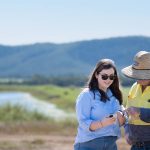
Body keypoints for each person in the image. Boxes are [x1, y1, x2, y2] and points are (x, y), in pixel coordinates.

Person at [74, 59, 126, 150]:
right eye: (104, 76)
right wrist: (102, 123)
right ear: (96, 75)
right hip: (88, 145)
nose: (108, 80)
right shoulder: (87, 95)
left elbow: (121, 122)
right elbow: (83, 123)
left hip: (111, 145)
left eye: (111, 77)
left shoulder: (115, 95)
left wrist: (122, 118)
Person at [121, 50, 150, 150]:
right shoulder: (134, 87)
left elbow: (135, 111)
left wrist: (140, 111)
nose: (137, 78)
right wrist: (127, 131)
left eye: (142, 75)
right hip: (136, 145)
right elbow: (128, 112)